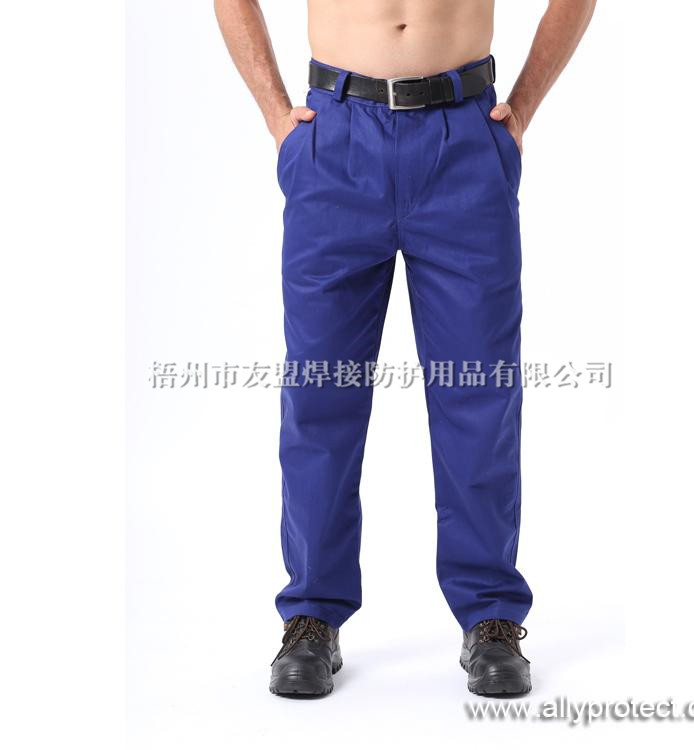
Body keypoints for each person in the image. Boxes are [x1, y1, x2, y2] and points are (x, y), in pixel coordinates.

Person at [215, 0, 596, 697]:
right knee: (320, 393)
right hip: (336, 138)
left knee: (478, 393)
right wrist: (275, 114)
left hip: (465, 140)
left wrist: (522, 108)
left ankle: (491, 617)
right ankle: (310, 614)